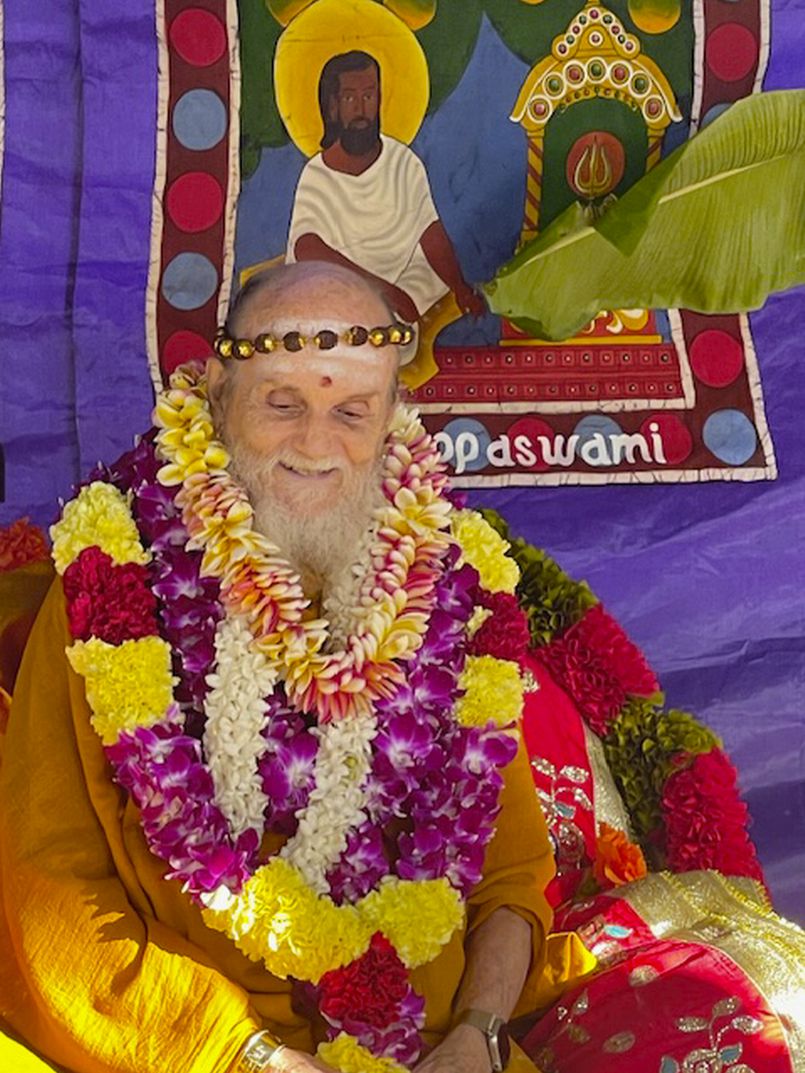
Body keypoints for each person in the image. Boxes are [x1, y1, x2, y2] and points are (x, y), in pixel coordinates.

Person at [0, 262, 589, 1073]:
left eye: (350, 411)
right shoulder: (114, 582)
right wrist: (248, 1055)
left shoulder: (450, 595)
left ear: (390, 421)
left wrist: (478, 1032)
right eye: (283, 403)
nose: (316, 444)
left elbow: (510, 873)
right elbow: (50, 891)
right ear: (216, 395)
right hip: (191, 1049)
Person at [286, 51, 484, 327]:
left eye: (368, 96)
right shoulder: (318, 174)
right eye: (349, 98)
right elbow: (307, 248)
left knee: (428, 281)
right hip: (341, 284)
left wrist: (460, 287)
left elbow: (429, 230)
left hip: (399, 277)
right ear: (332, 106)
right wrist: (384, 292)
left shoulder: (403, 162)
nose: (360, 109)